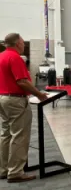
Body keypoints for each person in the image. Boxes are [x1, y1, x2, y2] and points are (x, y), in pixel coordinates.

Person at [0, 33, 48, 182]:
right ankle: (15, 172)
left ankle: (4, 169)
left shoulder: (1, 56)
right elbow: (22, 81)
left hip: (3, 98)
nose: (24, 46)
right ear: (17, 44)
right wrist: (39, 94)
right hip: (15, 100)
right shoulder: (14, 58)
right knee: (19, 135)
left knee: (6, 134)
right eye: (23, 43)